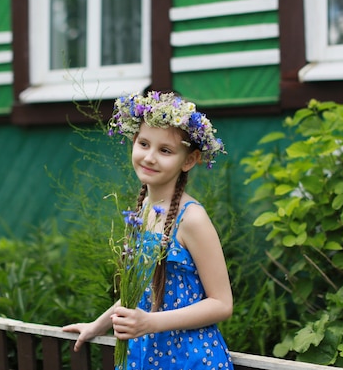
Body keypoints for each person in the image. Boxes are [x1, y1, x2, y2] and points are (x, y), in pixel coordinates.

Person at [62, 90, 234, 369]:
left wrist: (150, 322)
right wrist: (98, 325)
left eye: (165, 150)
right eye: (144, 144)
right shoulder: (141, 212)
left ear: (188, 160)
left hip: (189, 359)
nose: (150, 157)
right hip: (144, 354)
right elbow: (143, 290)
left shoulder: (192, 219)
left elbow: (222, 304)